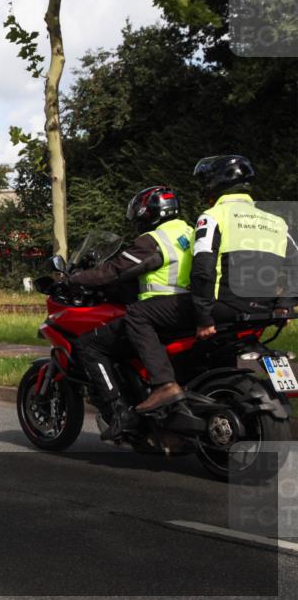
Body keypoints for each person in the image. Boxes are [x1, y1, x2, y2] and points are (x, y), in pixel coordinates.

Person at [126, 154, 298, 412]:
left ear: (216, 183)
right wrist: (284, 306)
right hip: (264, 310)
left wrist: (204, 318)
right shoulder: (276, 222)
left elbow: (203, 269)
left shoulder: (212, 216)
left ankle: (163, 385)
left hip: (223, 306)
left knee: (137, 314)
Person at [69, 185, 193, 439]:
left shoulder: (154, 240)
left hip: (160, 313)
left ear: (148, 214)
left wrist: (76, 279)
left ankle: (120, 413)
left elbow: (115, 270)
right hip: (189, 311)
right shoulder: (190, 233)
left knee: (89, 345)